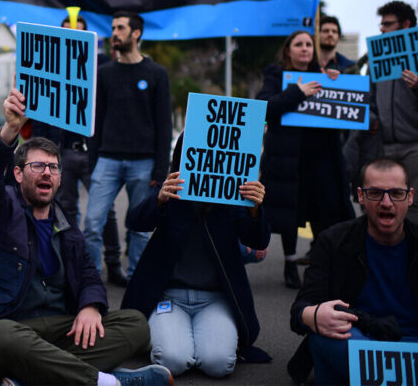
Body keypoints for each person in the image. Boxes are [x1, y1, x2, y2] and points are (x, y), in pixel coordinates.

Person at [0, 89, 171, 386]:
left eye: (53, 167)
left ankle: (34, 377)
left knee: (135, 324)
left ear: (60, 177)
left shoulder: (67, 227)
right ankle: (108, 382)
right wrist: (10, 130)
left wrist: (90, 306)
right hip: (6, 330)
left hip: (60, 332)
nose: (47, 173)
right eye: (37, 166)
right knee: (0, 335)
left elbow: (89, 275)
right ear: (18, 174)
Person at [122, 136, 271, 378]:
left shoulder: (233, 195)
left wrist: (255, 209)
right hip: (170, 296)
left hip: (216, 299)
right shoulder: (173, 190)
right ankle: (173, 337)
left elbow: (258, 241)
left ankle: (191, 340)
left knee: (218, 363)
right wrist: (158, 201)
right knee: (173, 360)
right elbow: (136, 222)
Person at [288, 158, 418, 385]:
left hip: (413, 346)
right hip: (357, 342)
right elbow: (302, 306)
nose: (386, 203)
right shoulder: (333, 241)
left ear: (410, 197)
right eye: (375, 193)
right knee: (324, 337)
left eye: (396, 193)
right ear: (360, 196)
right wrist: (312, 315)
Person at [30, 15, 127, 287]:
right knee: (66, 210)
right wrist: (44, 149)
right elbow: (41, 112)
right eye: (67, 32)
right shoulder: (49, 67)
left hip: (96, 152)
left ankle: (113, 264)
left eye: (79, 33)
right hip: (63, 151)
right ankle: (73, 261)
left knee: (105, 210)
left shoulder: (104, 67)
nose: (73, 37)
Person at [257, 30, 354, 289]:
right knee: (291, 213)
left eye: (308, 44)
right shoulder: (275, 75)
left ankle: (321, 264)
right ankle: (290, 262)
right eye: (298, 44)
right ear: (288, 50)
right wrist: (297, 92)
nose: (304, 49)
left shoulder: (325, 75)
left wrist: (336, 83)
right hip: (288, 158)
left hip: (322, 157)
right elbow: (264, 107)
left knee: (326, 210)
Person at [84, 11, 173, 279]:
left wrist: (160, 170)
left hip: (144, 163)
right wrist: (93, 161)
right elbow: (95, 120)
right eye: (112, 27)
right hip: (108, 159)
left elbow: (164, 125)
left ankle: (137, 280)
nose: (114, 33)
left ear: (136, 33)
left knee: (141, 229)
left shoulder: (157, 73)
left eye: (121, 28)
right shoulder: (104, 73)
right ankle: (88, 282)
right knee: (90, 224)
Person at [370, 0, 418, 224]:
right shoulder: (376, 59)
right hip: (384, 146)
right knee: (383, 205)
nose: (381, 29)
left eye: (387, 24)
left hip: (414, 147)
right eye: (381, 24)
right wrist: (371, 119)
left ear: (406, 24)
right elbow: (368, 100)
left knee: (413, 207)